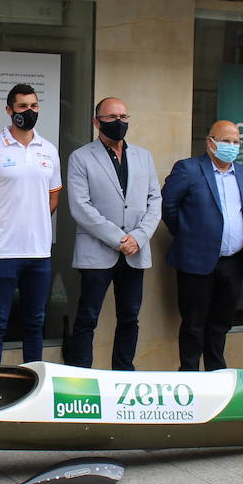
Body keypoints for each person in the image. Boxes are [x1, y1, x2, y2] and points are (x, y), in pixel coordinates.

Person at [64, 98, 161, 370]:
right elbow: (81, 207)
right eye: (111, 117)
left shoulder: (144, 156)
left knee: (130, 317)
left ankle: (124, 373)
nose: (118, 122)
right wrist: (119, 239)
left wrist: (139, 237)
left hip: (135, 251)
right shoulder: (81, 157)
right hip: (98, 252)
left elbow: (155, 199)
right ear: (97, 122)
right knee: (87, 317)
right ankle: (81, 376)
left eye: (123, 116)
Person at [0, 83, 62, 365]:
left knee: (35, 323)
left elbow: (54, 196)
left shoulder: (48, 149)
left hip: (39, 254)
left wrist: (35, 223)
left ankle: (33, 382)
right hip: (2, 253)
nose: (29, 111)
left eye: (34, 106)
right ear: (9, 110)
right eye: (23, 107)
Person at [160, 121, 243, 371]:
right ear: (210, 142)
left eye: (235, 142)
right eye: (225, 141)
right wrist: (188, 234)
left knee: (221, 324)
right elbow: (168, 206)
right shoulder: (188, 169)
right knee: (193, 325)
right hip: (196, 260)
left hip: (232, 262)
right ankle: (189, 376)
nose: (231, 146)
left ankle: (216, 374)